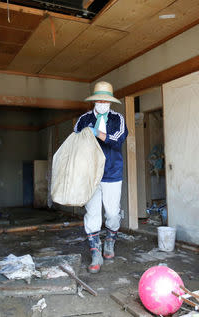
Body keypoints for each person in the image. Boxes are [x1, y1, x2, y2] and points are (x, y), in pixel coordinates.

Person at [74, 81, 128, 273]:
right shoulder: (83, 119)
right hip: (90, 175)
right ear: (94, 100)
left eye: (106, 100)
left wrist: (97, 133)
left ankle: (110, 240)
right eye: (100, 99)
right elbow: (75, 143)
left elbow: (119, 138)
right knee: (92, 214)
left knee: (113, 214)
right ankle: (96, 253)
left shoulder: (117, 119)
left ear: (110, 102)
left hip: (112, 173)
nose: (102, 102)